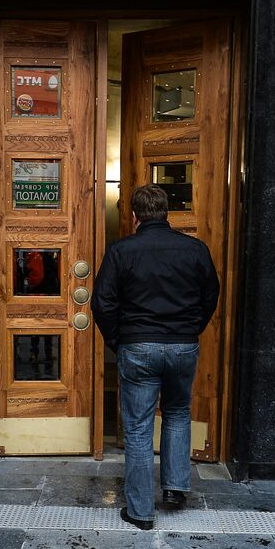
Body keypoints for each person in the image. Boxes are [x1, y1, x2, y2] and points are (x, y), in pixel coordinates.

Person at [92, 184, 219, 528]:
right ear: (167, 212)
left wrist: (118, 341)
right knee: (177, 412)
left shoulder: (122, 251)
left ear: (134, 215)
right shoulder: (194, 249)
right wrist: (190, 329)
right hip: (182, 345)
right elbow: (211, 296)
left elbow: (102, 302)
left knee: (137, 428)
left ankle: (140, 512)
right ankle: (175, 488)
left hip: (137, 346)